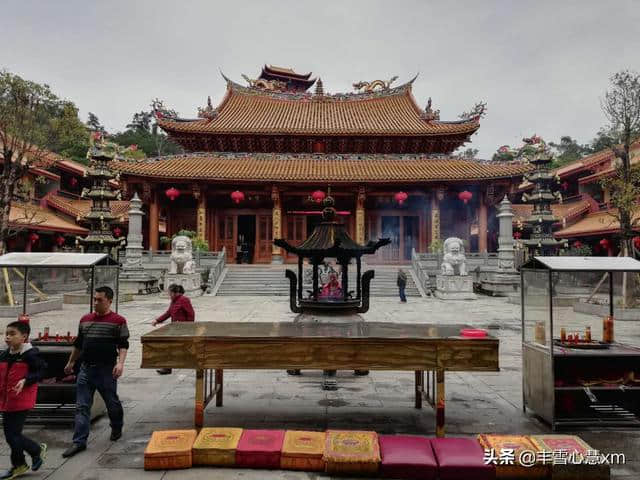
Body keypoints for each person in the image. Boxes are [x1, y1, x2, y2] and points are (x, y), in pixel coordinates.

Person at [62, 286, 129, 459]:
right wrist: (71, 362)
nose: (96, 302)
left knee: (111, 402)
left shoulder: (118, 321)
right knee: (82, 406)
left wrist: (120, 364)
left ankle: (116, 426)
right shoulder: (85, 320)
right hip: (86, 369)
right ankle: (79, 441)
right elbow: (78, 344)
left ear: (109, 301)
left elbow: (123, 344)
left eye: (100, 300)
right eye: (95, 299)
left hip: (106, 369)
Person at [0, 321, 47, 479]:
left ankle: (23, 461)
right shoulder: (5, 355)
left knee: (12, 435)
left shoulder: (30, 354)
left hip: (21, 401)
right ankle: (29, 456)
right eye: (6, 333)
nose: (7, 337)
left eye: (12, 334)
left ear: (24, 337)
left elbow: (41, 371)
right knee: (12, 435)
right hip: (7, 400)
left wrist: (25, 380)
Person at [151, 284, 195, 374]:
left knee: (182, 348)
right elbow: (168, 313)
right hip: (175, 329)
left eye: (170, 293)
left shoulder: (184, 300)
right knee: (169, 347)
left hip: (183, 329)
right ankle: (167, 367)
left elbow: (191, 314)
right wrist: (157, 320)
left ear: (175, 293)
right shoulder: (173, 301)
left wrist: (188, 327)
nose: (169, 295)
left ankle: (194, 362)